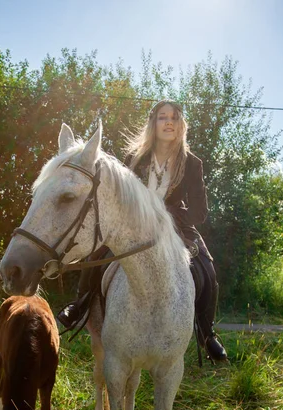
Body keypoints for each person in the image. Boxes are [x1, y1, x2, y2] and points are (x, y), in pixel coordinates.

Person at [58, 100, 227, 362]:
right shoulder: (133, 159)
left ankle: (207, 331)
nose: (168, 122)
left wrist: (165, 217)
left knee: (207, 265)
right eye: (162, 117)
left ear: (181, 124)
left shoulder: (192, 163)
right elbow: (120, 196)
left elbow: (200, 212)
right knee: (96, 254)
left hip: (174, 227)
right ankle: (79, 305)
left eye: (173, 117)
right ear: (153, 123)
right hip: (132, 224)